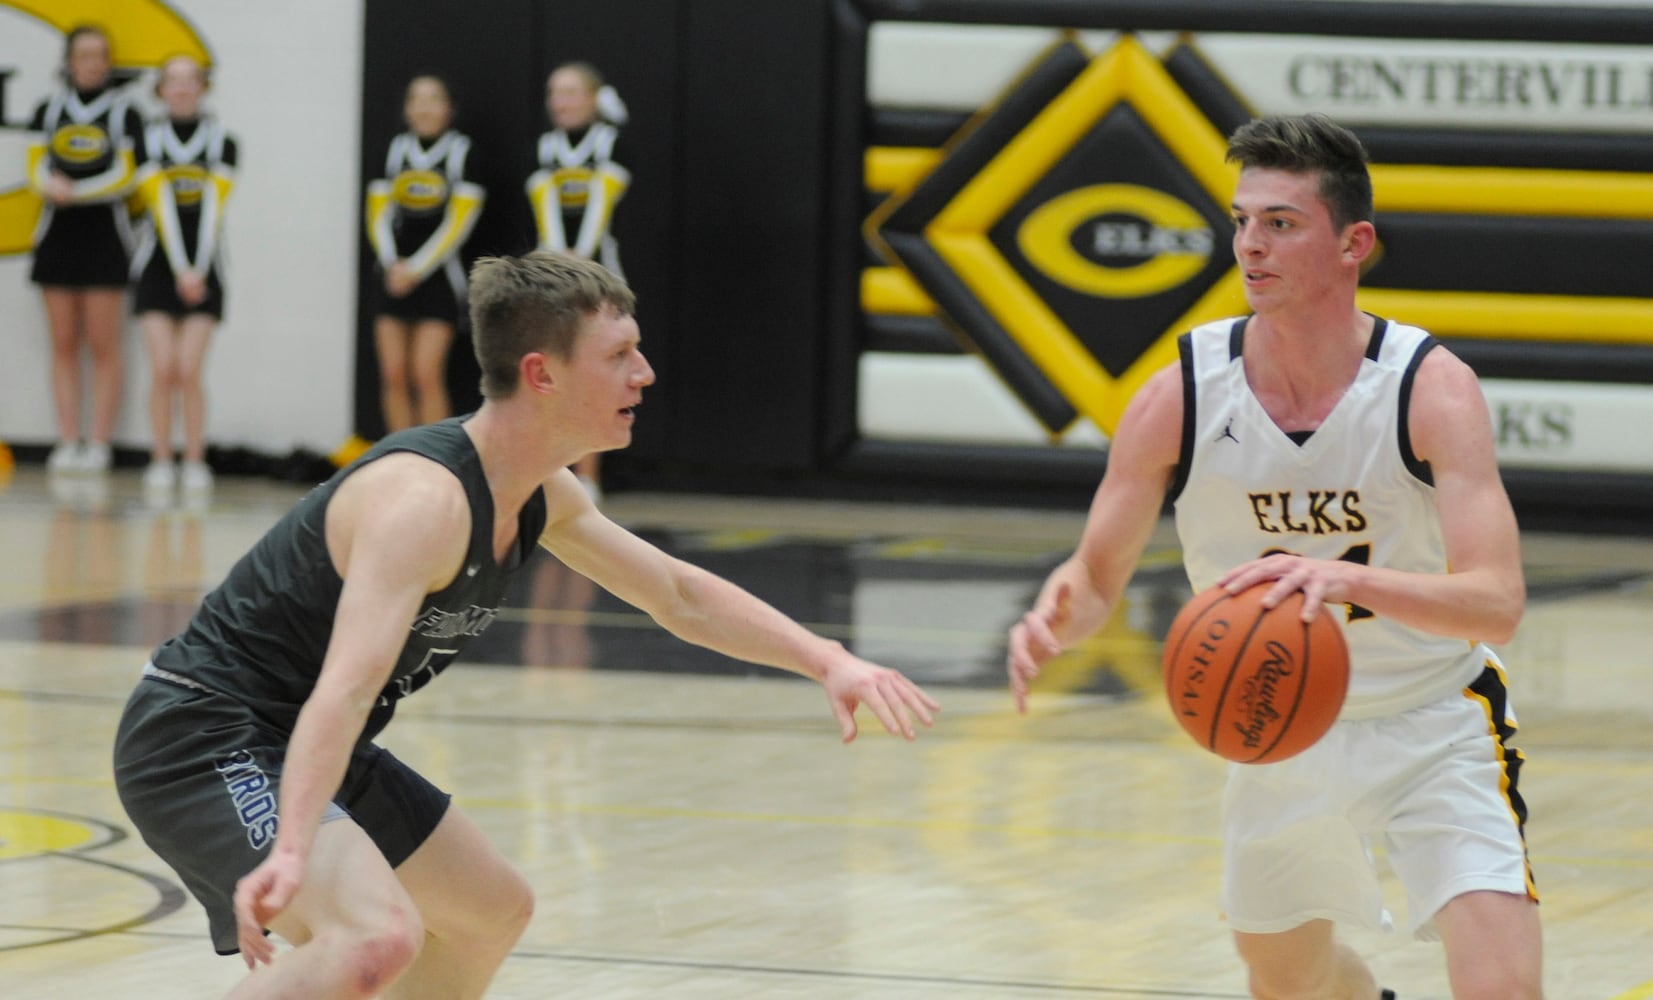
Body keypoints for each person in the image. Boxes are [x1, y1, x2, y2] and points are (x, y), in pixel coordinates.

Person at [112, 249, 939, 1000]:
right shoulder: (423, 502)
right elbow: (347, 684)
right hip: (203, 736)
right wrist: (291, 848)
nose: (644, 374)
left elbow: (677, 596)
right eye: (619, 357)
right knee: (376, 939)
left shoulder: (540, 490)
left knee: (488, 912)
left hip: (306, 736)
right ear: (542, 374)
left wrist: (827, 659)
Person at [1007, 114, 1541, 1000]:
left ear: (1352, 244)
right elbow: (1096, 579)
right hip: (1272, 729)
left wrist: (1343, 578)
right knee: (1287, 983)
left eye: (1281, 223)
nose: (1250, 246)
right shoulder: (1177, 392)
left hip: (1430, 722)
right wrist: (1058, 615)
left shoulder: (1429, 389)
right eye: (1241, 221)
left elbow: (1497, 603)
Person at [25, 24, 145, 476]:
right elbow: (35, 168)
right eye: (84, 54)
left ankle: (98, 443)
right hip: (57, 237)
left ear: (108, 62)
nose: (93, 62)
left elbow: (127, 175)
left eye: (101, 54)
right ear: (70, 60)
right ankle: (67, 439)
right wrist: (48, 185)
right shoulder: (49, 109)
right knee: (62, 343)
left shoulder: (124, 112)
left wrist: (78, 191)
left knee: (103, 343)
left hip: (105, 239)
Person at [131, 54, 238, 501]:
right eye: (171, 81)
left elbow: (212, 209)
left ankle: (193, 459)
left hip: (207, 264)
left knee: (189, 370)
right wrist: (179, 269)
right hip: (157, 266)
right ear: (160, 89)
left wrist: (196, 269)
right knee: (164, 369)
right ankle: (160, 458)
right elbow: (160, 208)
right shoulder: (147, 139)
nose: (180, 88)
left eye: (188, 80)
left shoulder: (222, 142)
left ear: (202, 86)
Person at [527, 61, 630, 502]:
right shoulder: (547, 146)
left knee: (595, 373)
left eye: (571, 92)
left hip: (599, 273)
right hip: (553, 273)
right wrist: (554, 256)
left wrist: (580, 258)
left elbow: (604, 201)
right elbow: (545, 203)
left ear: (593, 98)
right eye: (555, 93)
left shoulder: (610, 142)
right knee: (549, 371)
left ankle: (589, 476)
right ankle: (552, 472)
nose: (561, 102)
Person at [366, 75, 484, 433]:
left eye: (433, 99)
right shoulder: (394, 150)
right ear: (406, 109)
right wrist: (391, 263)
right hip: (392, 275)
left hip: (437, 278)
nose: (424, 107)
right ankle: (401, 459)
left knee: (425, 373)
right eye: (416, 99)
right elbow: (377, 213)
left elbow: (459, 222)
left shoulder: (463, 152)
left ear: (448, 108)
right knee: (393, 374)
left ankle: (437, 464)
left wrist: (416, 268)